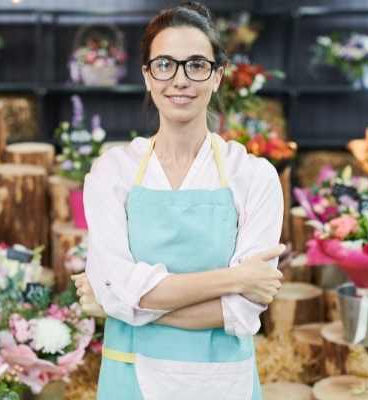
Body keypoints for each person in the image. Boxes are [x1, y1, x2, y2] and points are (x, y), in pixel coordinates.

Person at [73, 2, 284, 399]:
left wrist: (125, 308)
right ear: (148, 77)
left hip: (223, 383)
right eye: (165, 64)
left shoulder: (254, 176)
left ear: (218, 76)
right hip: (130, 378)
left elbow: (240, 312)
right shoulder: (112, 172)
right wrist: (235, 278)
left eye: (197, 65)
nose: (180, 80)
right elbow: (115, 288)